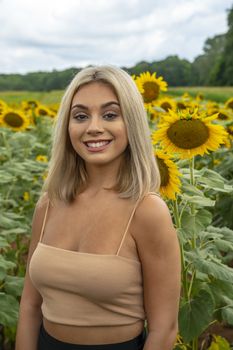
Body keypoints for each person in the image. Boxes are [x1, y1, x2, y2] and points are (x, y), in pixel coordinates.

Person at [15, 65, 181, 350]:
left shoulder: (146, 211)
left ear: (131, 123)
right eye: (80, 116)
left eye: (110, 115)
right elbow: (30, 307)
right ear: (67, 127)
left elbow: (164, 329)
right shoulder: (49, 203)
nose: (93, 127)